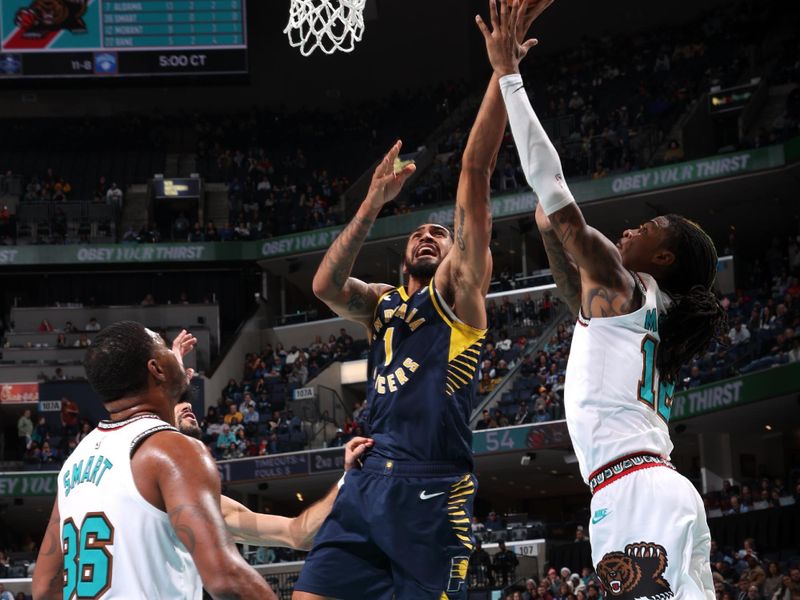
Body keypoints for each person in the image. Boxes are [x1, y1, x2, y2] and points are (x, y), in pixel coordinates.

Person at [294, 4, 553, 598]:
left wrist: (500, 71)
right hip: (365, 481)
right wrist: (371, 205)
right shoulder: (382, 305)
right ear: (402, 254)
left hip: (432, 487)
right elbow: (325, 287)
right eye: (420, 232)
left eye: (442, 232)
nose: (430, 234)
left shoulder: (459, 297)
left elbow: (476, 168)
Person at [478, 4, 725, 599]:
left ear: (664, 259)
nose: (633, 230)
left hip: (635, 493)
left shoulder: (627, 287)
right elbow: (569, 275)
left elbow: (555, 192)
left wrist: (508, 75)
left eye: (649, 229)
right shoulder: (640, 308)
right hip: (657, 487)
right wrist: (547, 227)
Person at [31, 321, 276, 599]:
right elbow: (226, 578)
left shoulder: (74, 462)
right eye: (164, 347)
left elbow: (44, 587)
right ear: (156, 369)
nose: (174, 354)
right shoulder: (172, 449)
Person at [169, 329, 375, 550]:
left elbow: (296, 535)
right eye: (177, 401)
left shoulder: (207, 505)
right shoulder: (135, 466)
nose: (188, 403)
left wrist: (348, 478)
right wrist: (175, 371)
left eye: (186, 400)